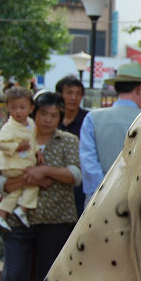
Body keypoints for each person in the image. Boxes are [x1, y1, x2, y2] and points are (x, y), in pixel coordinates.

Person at [0, 91, 81, 281]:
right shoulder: (18, 137)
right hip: (16, 219)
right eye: (43, 113)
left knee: (48, 278)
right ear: (34, 111)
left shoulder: (67, 140)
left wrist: (45, 171)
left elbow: (75, 176)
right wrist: (29, 177)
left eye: (54, 115)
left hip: (54, 220)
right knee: (14, 272)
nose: (48, 119)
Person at [79, 62, 141, 201]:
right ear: (139, 89)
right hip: (138, 204)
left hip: (98, 206)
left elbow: (88, 165)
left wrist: (105, 193)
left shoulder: (93, 118)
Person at [0, 87, 39, 232]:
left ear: (31, 108)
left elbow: (33, 141)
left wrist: (37, 152)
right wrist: (17, 146)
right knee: (33, 184)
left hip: (22, 162)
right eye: (14, 108)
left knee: (17, 191)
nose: (18, 111)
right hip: (13, 165)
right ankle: (23, 208)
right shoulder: (9, 126)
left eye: (22, 107)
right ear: (8, 108)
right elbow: (0, 143)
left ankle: (2, 214)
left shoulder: (30, 124)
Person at [55, 74, 88, 216]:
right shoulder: (51, 119)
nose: (73, 98)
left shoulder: (88, 120)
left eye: (78, 94)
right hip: (54, 181)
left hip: (80, 183)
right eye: (69, 93)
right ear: (60, 94)